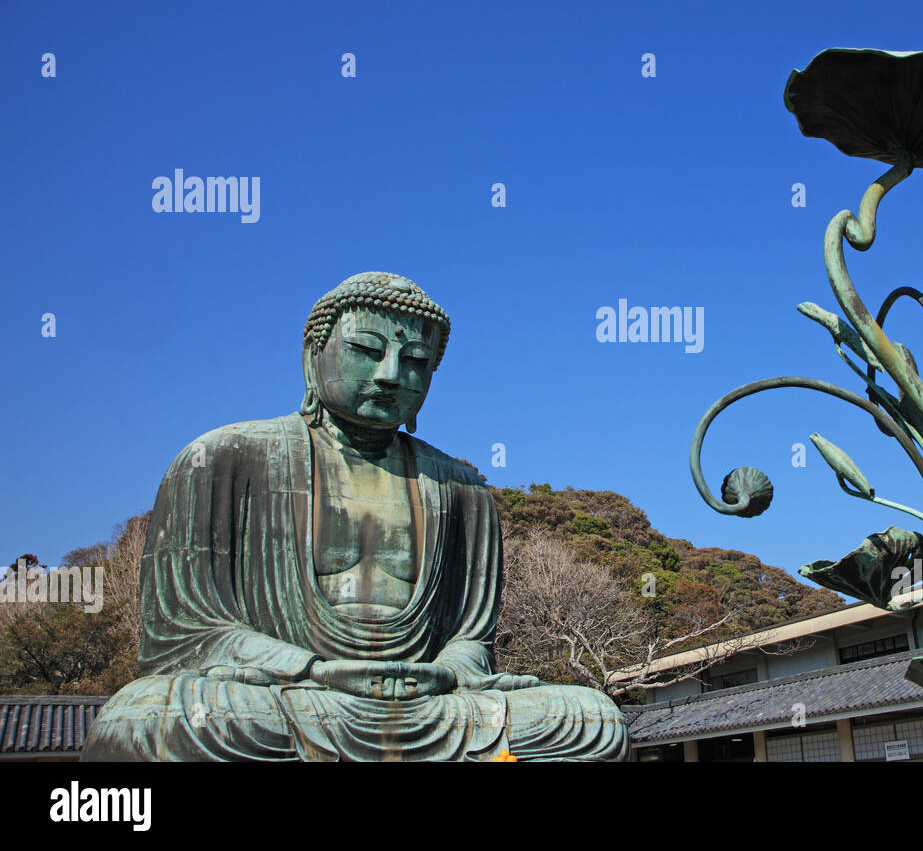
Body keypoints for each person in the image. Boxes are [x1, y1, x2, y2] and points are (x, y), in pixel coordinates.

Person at [82, 272, 628, 761]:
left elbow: (469, 638)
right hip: (288, 700)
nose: (392, 374)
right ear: (311, 354)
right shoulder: (222, 460)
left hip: (429, 713)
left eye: (416, 362)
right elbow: (183, 635)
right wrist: (312, 669)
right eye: (367, 349)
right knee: (154, 717)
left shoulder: (463, 491)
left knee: (592, 719)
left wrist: (451, 671)